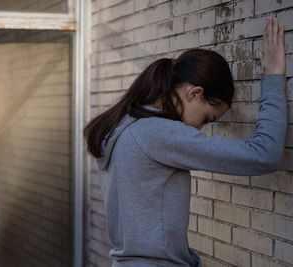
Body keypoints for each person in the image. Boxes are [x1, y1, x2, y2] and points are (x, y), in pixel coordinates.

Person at [83, 16, 287, 267]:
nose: (200, 128)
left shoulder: (122, 126)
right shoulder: (158, 133)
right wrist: (274, 77)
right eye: (207, 118)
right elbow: (264, 155)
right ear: (195, 93)